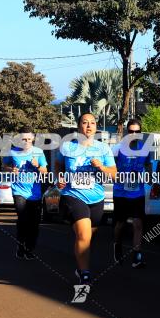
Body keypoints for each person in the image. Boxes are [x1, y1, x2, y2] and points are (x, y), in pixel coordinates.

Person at [56, 112, 116, 284]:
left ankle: (80, 267)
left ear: (96, 127)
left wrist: (101, 166)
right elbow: (59, 165)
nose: (89, 126)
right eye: (85, 122)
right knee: (83, 235)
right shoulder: (67, 147)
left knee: (88, 239)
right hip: (73, 194)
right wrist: (59, 178)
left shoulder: (103, 149)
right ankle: (85, 273)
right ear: (78, 126)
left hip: (96, 198)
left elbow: (114, 174)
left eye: (92, 123)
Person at [2, 129, 48, 260]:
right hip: (19, 191)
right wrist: (11, 169)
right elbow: (4, 166)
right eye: (24, 139)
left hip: (35, 193)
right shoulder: (12, 152)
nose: (26, 142)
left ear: (33, 139)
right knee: (23, 219)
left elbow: (45, 171)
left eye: (29, 139)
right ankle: (20, 246)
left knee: (34, 223)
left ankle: (29, 249)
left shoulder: (38, 152)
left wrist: (37, 165)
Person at [112, 118, 151, 268]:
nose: (134, 134)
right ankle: (117, 245)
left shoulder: (144, 149)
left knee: (138, 223)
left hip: (137, 191)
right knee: (120, 224)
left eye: (137, 132)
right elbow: (111, 167)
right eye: (131, 131)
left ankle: (137, 256)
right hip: (121, 192)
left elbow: (147, 164)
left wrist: (148, 176)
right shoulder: (117, 149)